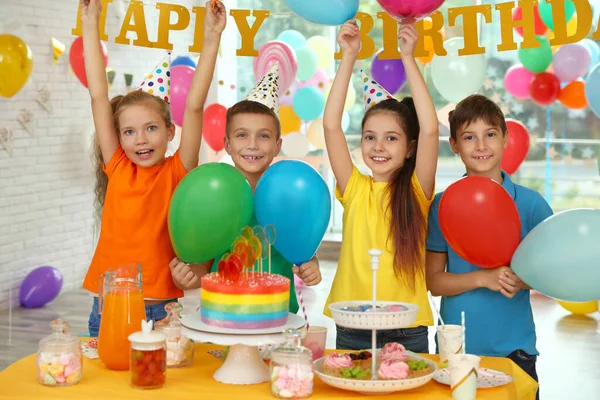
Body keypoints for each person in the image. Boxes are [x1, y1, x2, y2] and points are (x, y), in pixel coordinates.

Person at [80, 0, 226, 336]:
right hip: (109, 303)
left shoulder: (177, 170)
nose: (140, 140)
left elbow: (193, 107)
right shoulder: (116, 165)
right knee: (108, 388)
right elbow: (98, 96)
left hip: (160, 310)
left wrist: (212, 37)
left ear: (170, 131)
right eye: (129, 132)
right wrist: (91, 23)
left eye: (151, 128)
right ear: (118, 138)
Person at [322, 20, 439, 352]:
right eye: (370, 137)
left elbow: (430, 130)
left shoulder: (417, 191)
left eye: (391, 138)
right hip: (353, 326)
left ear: (410, 148)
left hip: (407, 329)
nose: (378, 146)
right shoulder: (355, 188)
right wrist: (349, 56)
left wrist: (408, 58)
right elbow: (331, 125)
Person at [426, 94, 553, 399]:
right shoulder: (442, 205)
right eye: (469, 137)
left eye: (490, 134)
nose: (481, 146)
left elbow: (551, 274)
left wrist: (520, 280)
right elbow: (434, 281)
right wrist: (484, 278)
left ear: (505, 138)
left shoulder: (532, 204)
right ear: (454, 144)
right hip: (456, 352)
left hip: (515, 351)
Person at [170, 64, 322, 314]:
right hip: (223, 314)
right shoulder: (213, 196)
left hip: (278, 314)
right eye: (242, 135)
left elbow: (302, 251)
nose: (252, 145)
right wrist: (185, 276)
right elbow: (203, 266)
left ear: (277, 145)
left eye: (263, 136)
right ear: (227, 144)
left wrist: (311, 266)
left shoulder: (288, 196)